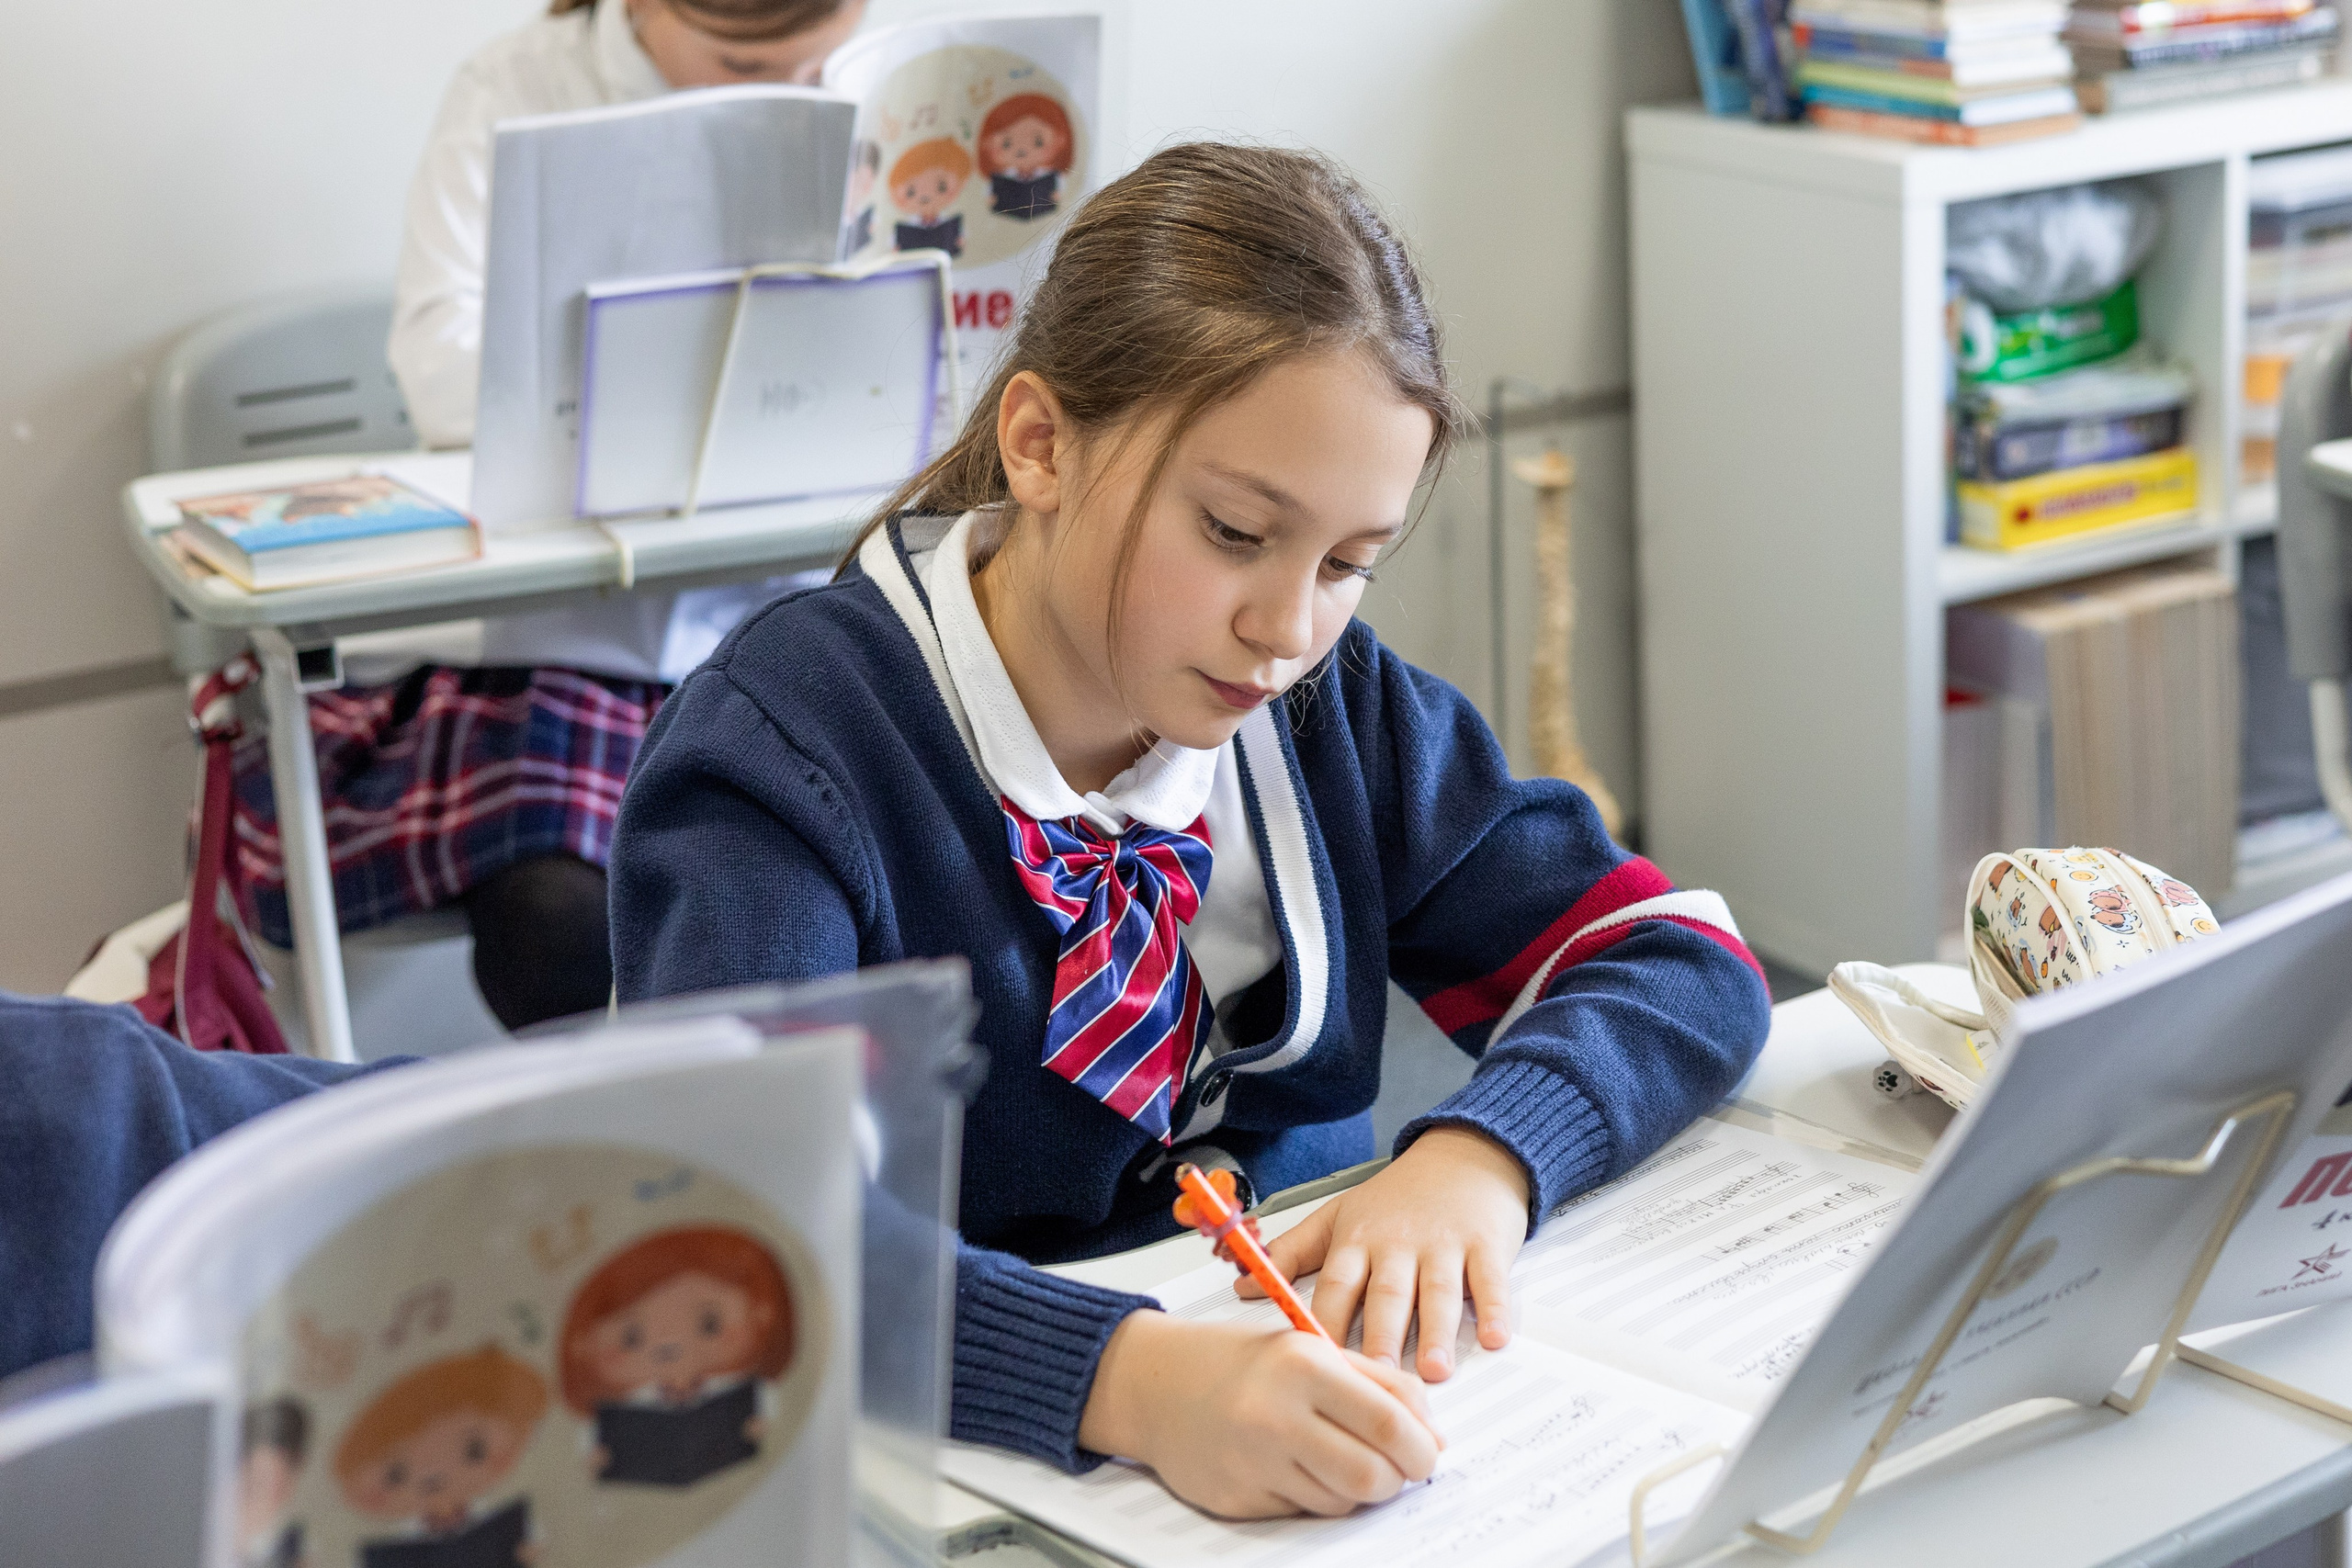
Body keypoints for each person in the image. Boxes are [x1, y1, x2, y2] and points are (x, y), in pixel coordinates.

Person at [609, 142, 1771, 1518]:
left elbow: (1672, 951)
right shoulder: (789, 755)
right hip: (942, 1453)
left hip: (1293, 1411)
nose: (1287, 631)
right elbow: (736, 1236)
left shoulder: (1333, 706)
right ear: (1041, 444)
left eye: (1348, 563)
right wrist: (1132, 1381)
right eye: (1233, 531)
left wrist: (1482, 1155)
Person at [229, 0, 868, 1032]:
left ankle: (792, 1152)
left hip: (779, 615)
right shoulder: (515, 87)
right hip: (553, 642)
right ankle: (643, 1161)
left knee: (850, 879)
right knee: (568, 925)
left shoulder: (884, 92)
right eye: (741, 62)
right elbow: (441, 375)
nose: (781, 100)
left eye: (814, 70)